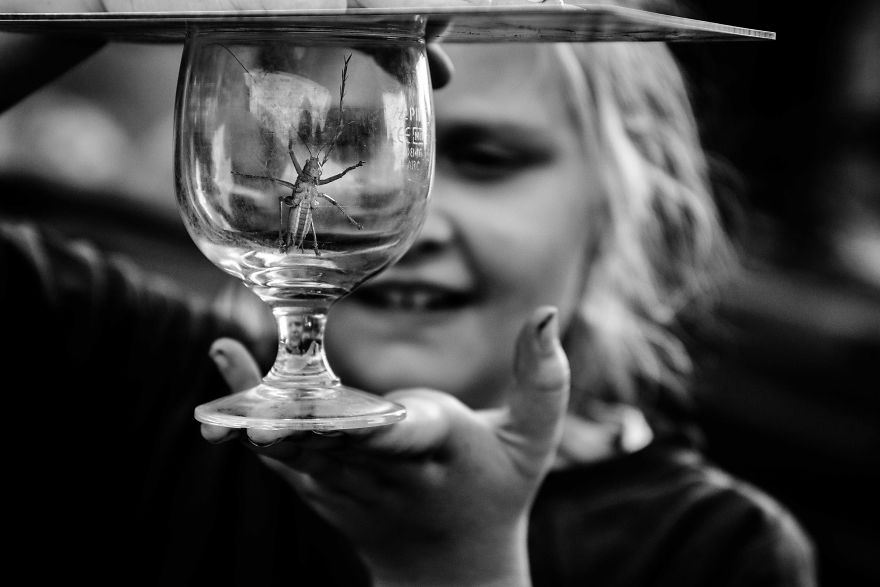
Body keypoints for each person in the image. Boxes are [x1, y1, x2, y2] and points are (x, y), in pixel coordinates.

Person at [1, 1, 816, 585]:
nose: (417, 223)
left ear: (626, 204)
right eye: (340, 142)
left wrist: (452, 563)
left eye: (488, 157)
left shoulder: (714, 546)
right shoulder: (124, 365)